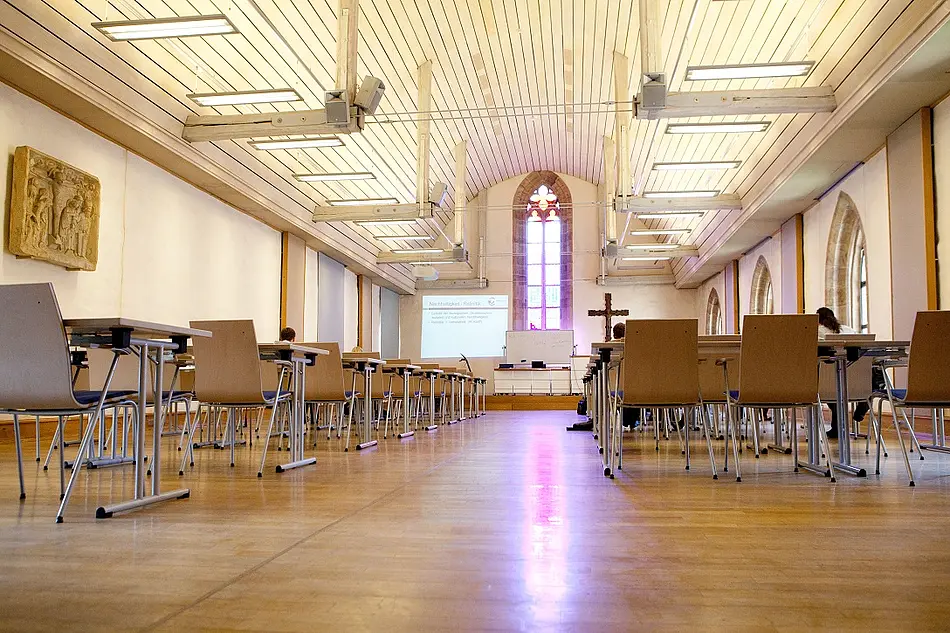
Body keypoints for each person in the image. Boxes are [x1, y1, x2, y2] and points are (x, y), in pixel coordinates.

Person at [817, 307, 885, 438]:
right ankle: (866, 399)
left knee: (830, 385)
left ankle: (837, 427)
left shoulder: (818, 332)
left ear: (817, 320)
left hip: (832, 383)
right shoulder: (849, 330)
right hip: (858, 384)